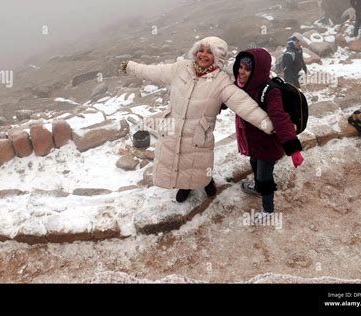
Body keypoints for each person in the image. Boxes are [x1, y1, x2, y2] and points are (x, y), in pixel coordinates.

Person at [120, 37, 274, 203]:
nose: (203, 55)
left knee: (199, 164)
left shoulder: (222, 82)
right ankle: (184, 187)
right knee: (178, 160)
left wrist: (270, 125)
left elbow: (244, 105)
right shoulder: (180, 68)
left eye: (210, 52)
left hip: (199, 133)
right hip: (173, 127)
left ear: (218, 57)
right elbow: (152, 71)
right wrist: (131, 67)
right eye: (201, 50)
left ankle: (207, 182)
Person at [233, 48, 304, 221]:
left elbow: (280, 118)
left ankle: (268, 210)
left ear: (258, 70)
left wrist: (293, 149)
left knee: (265, 177)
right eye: (240, 67)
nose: (242, 72)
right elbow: (229, 100)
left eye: (247, 69)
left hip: (268, 145)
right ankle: (257, 187)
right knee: (255, 164)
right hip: (254, 142)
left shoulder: (270, 92)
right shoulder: (242, 86)